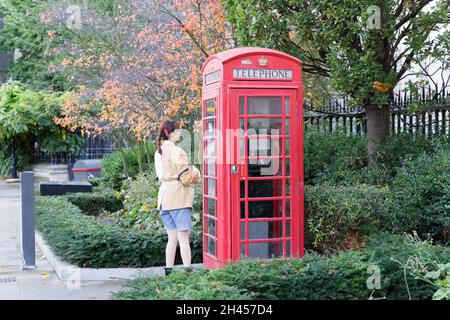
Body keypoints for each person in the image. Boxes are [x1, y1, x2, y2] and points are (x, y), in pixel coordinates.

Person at [154, 120, 198, 276]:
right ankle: (187, 272)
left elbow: (160, 176)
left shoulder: (158, 152)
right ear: (171, 133)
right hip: (178, 197)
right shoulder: (178, 151)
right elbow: (186, 177)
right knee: (184, 239)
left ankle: (169, 271)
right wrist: (196, 174)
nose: (180, 133)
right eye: (178, 130)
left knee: (171, 238)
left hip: (164, 198)